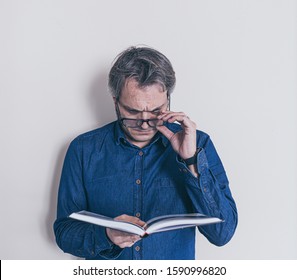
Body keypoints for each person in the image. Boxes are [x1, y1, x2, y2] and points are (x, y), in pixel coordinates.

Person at [53, 46, 238, 260]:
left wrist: (191, 160)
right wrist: (106, 235)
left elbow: (222, 234)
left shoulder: (198, 143)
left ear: (168, 99)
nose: (144, 123)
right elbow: (64, 232)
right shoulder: (83, 149)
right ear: (115, 101)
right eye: (132, 111)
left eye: (156, 111)